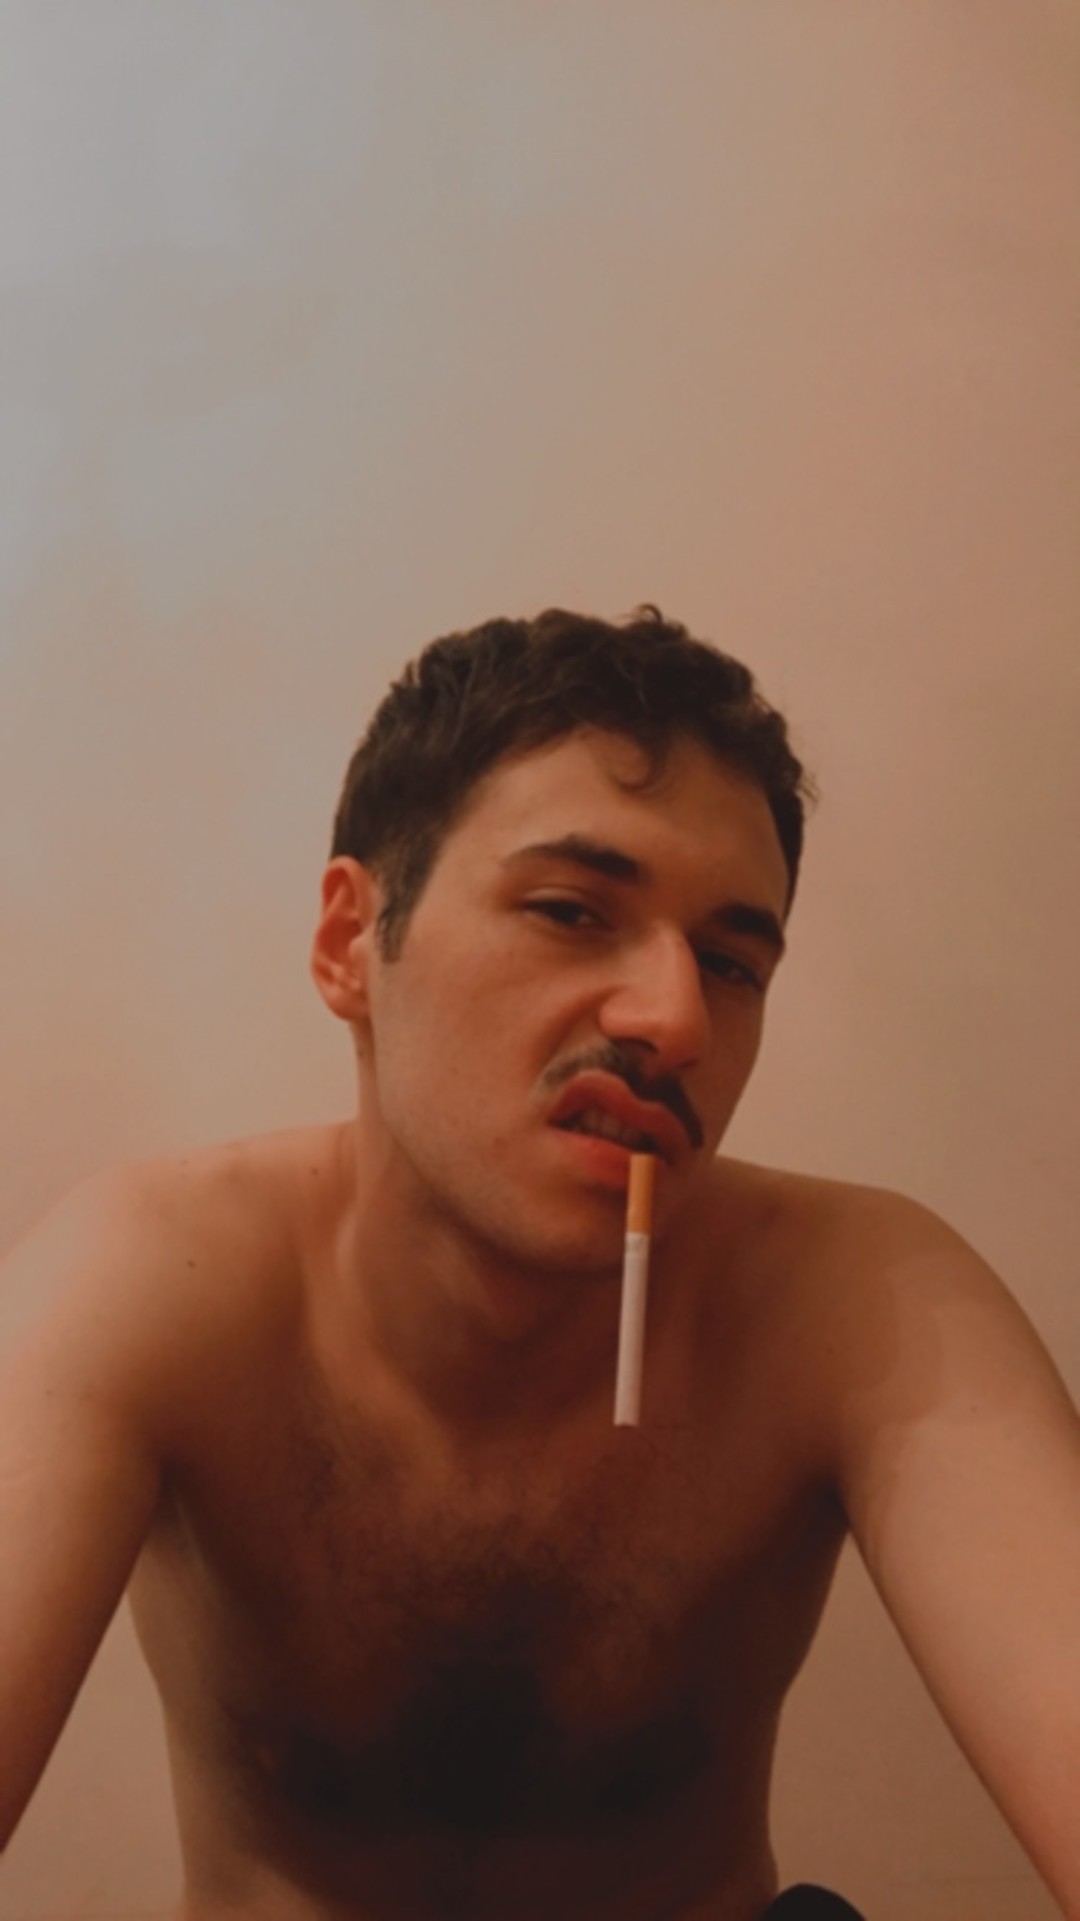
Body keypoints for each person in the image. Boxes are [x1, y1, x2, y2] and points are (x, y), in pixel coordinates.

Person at [1, 607, 1077, 1921]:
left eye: (732, 961)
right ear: (351, 941)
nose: (675, 1020)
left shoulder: (853, 1301)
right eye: (572, 910)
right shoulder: (155, 1280)